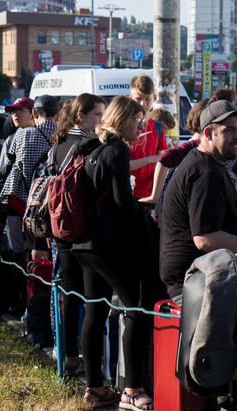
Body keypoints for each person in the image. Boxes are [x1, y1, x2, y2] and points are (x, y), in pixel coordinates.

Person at [71, 96, 160, 409]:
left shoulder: (91, 147)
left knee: (94, 313)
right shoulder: (117, 148)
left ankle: (95, 388)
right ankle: (132, 390)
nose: (141, 126)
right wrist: (143, 211)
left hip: (84, 244)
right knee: (137, 308)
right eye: (137, 119)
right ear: (124, 120)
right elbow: (123, 202)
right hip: (108, 245)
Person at [159, 100, 237, 304]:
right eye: (229, 131)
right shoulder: (205, 173)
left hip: (207, 275)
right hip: (195, 282)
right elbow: (205, 238)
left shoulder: (210, 164)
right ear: (208, 134)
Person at [50, 93, 106, 378]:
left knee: (70, 292)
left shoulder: (59, 144)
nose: (101, 120)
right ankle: (90, 359)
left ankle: (69, 356)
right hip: (82, 226)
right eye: (97, 115)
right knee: (91, 297)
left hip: (60, 224)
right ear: (80, 116)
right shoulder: (88, 144)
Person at [0, 95, 58, 262]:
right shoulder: (65, 134)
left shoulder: (22, 136)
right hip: (57, 202)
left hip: (30, 203)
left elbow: (12, 169)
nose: (15, 115)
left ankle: (37, 276)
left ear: (34, 113)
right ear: (57, 115)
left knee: (36, 248)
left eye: (20, 111)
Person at [128, 74, 168, 199]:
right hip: (126, 193)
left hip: (149, 195)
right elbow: (121, 165)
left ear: (154, 98)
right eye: (138, 99)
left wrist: (156, 194)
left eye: (147, 99)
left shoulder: (157, 127)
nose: (142, 103)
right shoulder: (125, 126)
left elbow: (162, 162)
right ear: (130, 99)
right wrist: (150, 159)